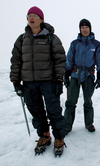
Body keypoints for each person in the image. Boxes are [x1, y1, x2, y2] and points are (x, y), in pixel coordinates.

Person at [10, 6, 66, 156]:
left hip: (48, 81)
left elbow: (60, 59)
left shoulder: (51, 37)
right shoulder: (22, 39)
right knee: (36, 111)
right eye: (29, 16)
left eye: (34, 15)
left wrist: (59, 79)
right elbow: (16, 61)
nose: (31, 18)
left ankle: (59, 138)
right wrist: (16, 81)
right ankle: (44, 135)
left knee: (54, 111)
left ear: (41, 19)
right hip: (29, 83)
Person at [64, 18, 100, 134]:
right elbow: (69, 60)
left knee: (88, 100)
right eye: (82, 28)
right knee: (71, 100)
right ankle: (67, 125)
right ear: (80, 29)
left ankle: (89, 123)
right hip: (75, 74)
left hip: (89, 75)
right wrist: (66, 76)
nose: (85, 29)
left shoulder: (96, 44)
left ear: (90, 29)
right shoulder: (74, 43)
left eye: (86, 27)